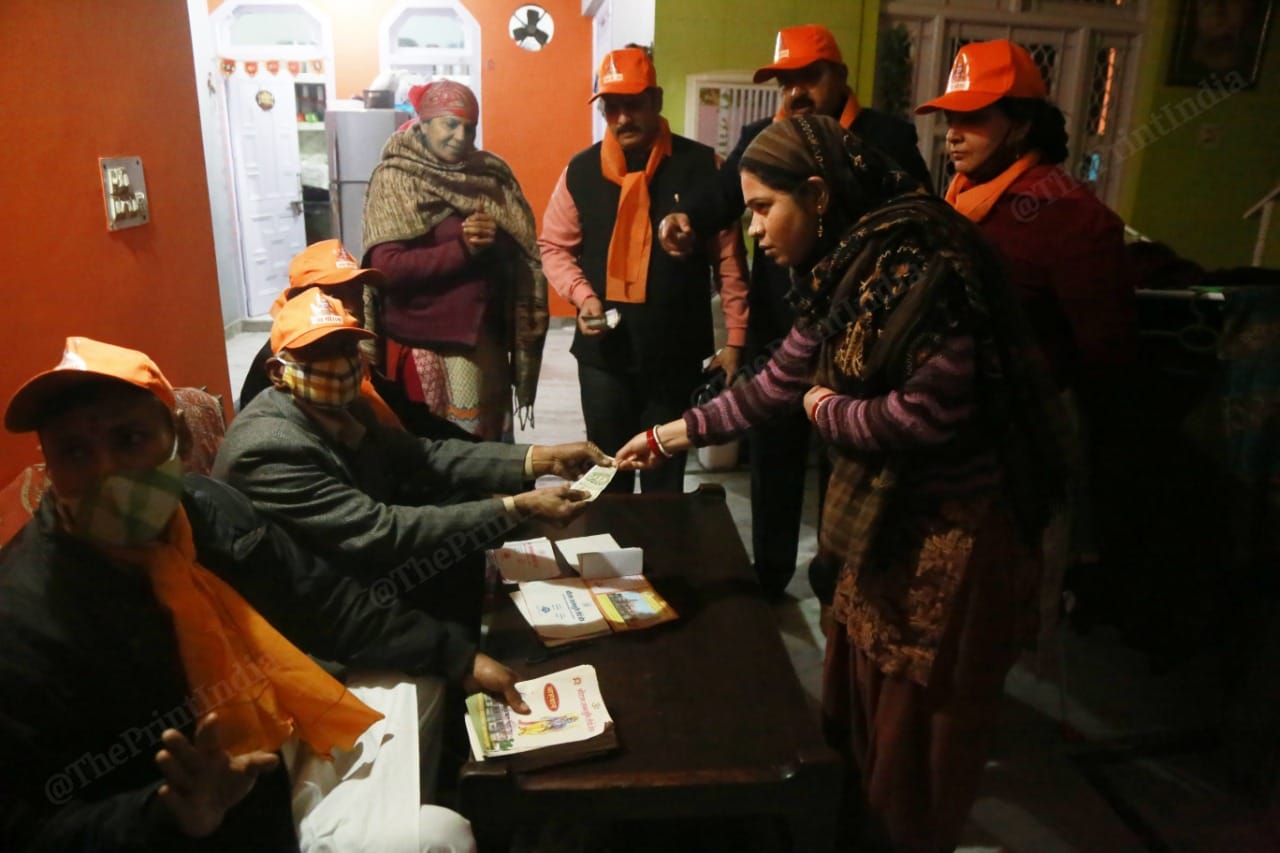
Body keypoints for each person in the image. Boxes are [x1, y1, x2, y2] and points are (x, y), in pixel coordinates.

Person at [618, 115, 1064, 851]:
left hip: (950, 544)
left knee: (914, 746)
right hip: (886, 531)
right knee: (860, 722)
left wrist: (827, 409)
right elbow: (772, 385)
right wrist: (668, 434)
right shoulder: (845, 268)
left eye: (764, 208)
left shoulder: (924, 262)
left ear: (819, 193)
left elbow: (926, 413)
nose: (755, 229)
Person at [0, 336, 531, 851]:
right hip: (200, 826)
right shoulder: (24, 616)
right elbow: (28, 824)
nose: (106, 472)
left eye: (129, 440)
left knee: (423, 676)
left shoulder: (206, 509)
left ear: (179, 441)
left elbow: (323, 601)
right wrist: (167, 814)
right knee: (438, 835)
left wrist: (460, 657)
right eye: (74, 452)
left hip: (278, 740)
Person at [656, 24, 932, 598]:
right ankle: (772, 572)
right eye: (785, 81)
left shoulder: (887, 139)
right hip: (784, 323)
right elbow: (724, 195)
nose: (795, 92)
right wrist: (689, 220)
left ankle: (840, 580)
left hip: (864, 332)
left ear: (840, 77)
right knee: (773, 450)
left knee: (847, 458)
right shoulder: (768, 135)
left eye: (809, 76)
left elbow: (918, 218)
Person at [213, 291, 606, 632]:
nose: (343, 364)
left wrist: (541, 458)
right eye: (321, 353)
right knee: (460, 552)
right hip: (312, 602)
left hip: (347, 559)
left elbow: (423, 455)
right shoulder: (268, 448)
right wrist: (515, 506)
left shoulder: (347, 406)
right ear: (278, 373)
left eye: (347, 348)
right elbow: (379, 529)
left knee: (467, 544)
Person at [915, 39, 1136, 638]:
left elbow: (1106, 353)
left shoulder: (1070, 216)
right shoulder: (959, 197)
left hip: (1012, 446)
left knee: (985, 610)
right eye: (950, 118)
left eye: (973, 116)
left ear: (1022, 124)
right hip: (943, 433)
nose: (953, 134)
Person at [537, 46, 749, 495]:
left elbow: (729, 259)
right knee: (605, 472)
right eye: (610, 107)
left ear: (656, 99)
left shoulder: (703, 167)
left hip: (675, 356)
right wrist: (583, 295)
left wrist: (736, 339)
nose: (621, 118)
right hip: (604, 359)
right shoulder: (581, 170)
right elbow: (554, 246)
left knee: (663, 480)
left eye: (632, 104)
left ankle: (661, 564)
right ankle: (612, 562)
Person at [362, 79, 548, 441]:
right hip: (429, 346)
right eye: (450, 124)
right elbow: (385, 269)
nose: (461, 135)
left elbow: (521, 253)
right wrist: (462, 248)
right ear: (425, 123)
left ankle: (499, 499)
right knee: (447, 449)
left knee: (491, 445)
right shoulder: (396, 179)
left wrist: (494, 241)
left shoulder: (489, 175)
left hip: (488, 342)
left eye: (469, 127)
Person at [237, 238, 476, 442]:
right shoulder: (291, 363)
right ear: (299, 298)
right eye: (333, 294)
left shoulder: (345, 348)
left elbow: (408, 415)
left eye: (355, 292)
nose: (351, 307)